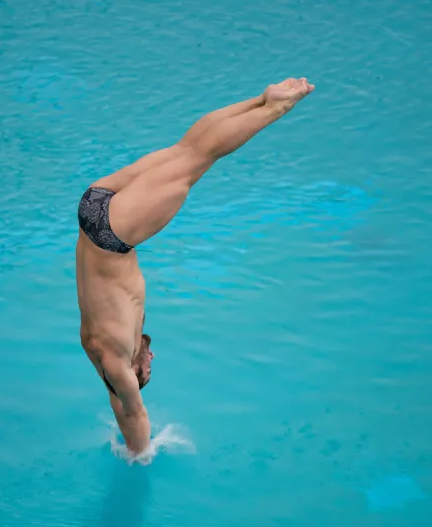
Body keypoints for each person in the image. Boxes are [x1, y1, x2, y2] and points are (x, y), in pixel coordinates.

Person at [75, 78, 315, 455]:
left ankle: (275, 108)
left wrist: (140, 454)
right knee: (187, 151)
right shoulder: (95, 345)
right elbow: (116, 401)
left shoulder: (114, 360)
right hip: (93, 207)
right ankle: (262, 98)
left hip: (113, 232)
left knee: (193, 159)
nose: (151, 358)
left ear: (132, 378)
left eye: (148, 369)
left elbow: (130, 413)